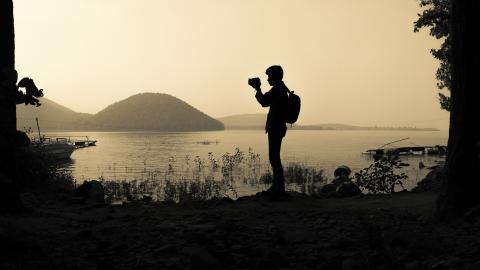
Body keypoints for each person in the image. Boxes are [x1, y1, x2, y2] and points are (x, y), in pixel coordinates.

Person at [248, 65, 289, 198]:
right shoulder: (281, 88)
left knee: (274, 158)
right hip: (278, 127)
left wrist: (257, 88)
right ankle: (277, 187)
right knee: (274, 157)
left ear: (275, 77)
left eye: (269, 76)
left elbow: (264, 102)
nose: (267, 79)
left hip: (276, 127)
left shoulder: (277, 89)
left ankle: (279, 189)